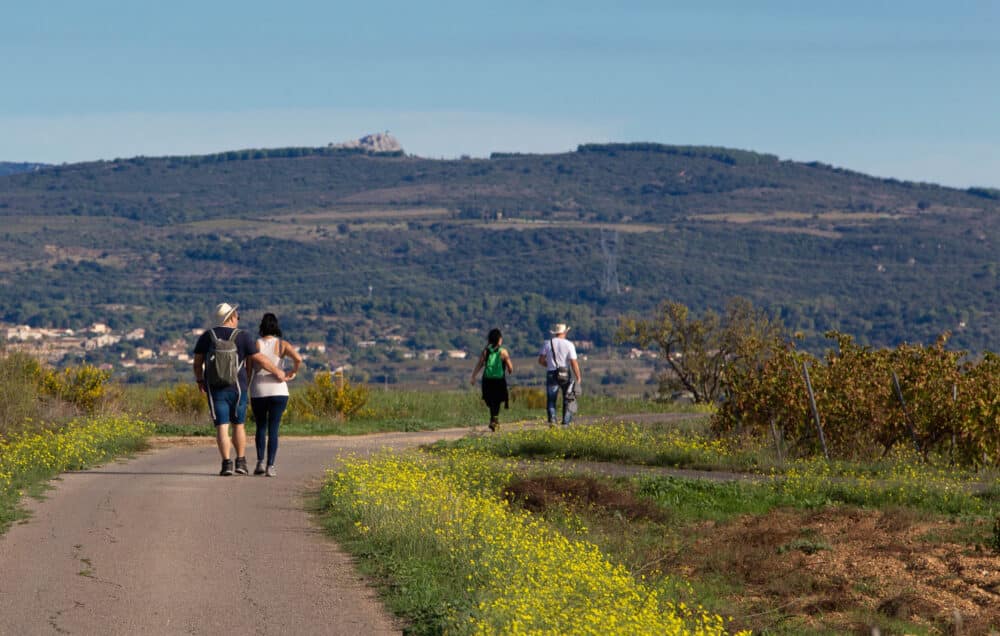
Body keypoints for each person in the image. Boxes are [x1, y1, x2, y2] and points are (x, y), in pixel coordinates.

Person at [192, 303, 287, 476]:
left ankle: (226, 463)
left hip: (215, 389)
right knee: (239, 425)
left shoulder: (207, 336)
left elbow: (198, 363)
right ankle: (241, 462)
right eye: (237, 316)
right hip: (238, 388)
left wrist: (200, 380)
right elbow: (260, 359)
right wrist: (278, 372)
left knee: (222, 426)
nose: (238, 319)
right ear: (231, 318)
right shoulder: (242, 336)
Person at [247, 312, 302, 477]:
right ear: (276, 326)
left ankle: (259, 463)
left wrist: (245, 388)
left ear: (261, 327)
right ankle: (271, 465)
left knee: (260, 427)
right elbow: (298, 358)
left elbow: (249, 371)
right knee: (273, 429)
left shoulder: (255, 345)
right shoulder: (282, 344)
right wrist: (292, 372)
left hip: (259, 390)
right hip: (279, 390)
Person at [537, 323, 582, 426]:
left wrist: (549, 365)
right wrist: (578, 377)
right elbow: (573, 363)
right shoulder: (569, 344)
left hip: (552, 374)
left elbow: (540, 360)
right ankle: (566, 422)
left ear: (555, 333)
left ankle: (552, 419)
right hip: (565, 373)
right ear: (565, 332)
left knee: (551, 399)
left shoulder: (547, 344)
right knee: (568, 398)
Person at [469, 328, 514, 431]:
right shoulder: (503, 351)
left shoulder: (486, 351)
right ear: (499, 339)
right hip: (499, 380)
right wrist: (510, 370)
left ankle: (493, 419)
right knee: (497, 401)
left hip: (487, 380)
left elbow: (479, 364)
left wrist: (473, 376)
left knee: (490, 400)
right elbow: (510, 367)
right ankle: (494, 419)